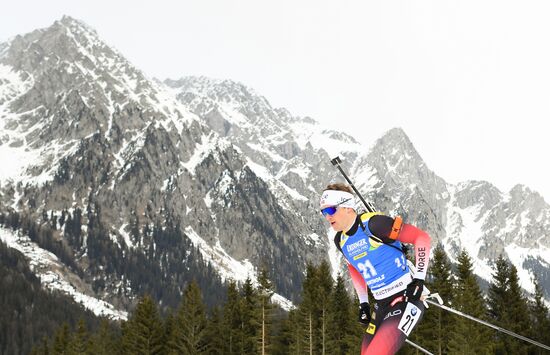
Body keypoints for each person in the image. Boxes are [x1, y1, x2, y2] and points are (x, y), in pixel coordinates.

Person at [320, 183, 431, 355]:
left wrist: (419, 280)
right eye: (324, 212)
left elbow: (421, 238)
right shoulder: (340, 240)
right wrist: (363, 303)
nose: (327, 216)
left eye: (331, 210)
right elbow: (355, 267)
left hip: (406, 299)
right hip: (381, 306)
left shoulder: (374, 224)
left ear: (347, 207)